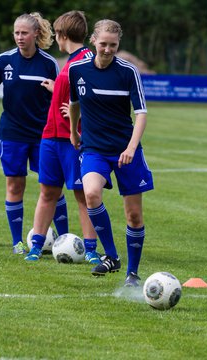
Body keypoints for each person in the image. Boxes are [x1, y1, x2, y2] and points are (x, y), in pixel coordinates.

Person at [69, 19, 154, 287]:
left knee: (134, 215)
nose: (107, 49)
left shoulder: (128, 72)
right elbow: (73, 104)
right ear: (93, 40)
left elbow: (141, 114)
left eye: (113, 45)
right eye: (103, 43)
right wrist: (73, 131)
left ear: (118, 45)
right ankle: (112, 257)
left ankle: (132, 272)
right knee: (91, 193)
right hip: (94, 148)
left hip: (125, 151)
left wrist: (130, 147)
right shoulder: (77, 70)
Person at [0, 12, 68, 254]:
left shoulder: (48, 63)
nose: (19, 37)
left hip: (44, 135)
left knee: (53, 187)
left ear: (35, 34)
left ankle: (65, 239)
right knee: (14, 186)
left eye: (24, 33)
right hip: (12, 133)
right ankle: (17, 243)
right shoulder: (4, 60)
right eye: (16, 33)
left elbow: (61, 95)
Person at [24, 11, 100, 263]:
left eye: (57, 35)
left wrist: (81, 115)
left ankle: (90, 250)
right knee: (48, 192)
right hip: (50, 137)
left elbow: (97, 97)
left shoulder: (88, 59)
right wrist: (57, 89)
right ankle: (36, 246)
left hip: (72, 140)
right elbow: (74, 91)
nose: (56, 39)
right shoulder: (71, 61)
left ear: (63, 35)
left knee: (81, 194)